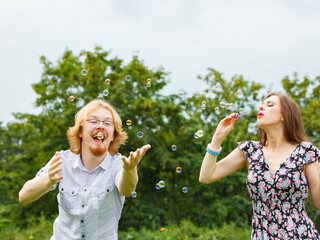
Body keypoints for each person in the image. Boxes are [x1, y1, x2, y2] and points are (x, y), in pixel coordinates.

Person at [19, 99, 151, 240]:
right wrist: (48, 179)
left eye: (107, 123)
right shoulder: (62, 160)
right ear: (80, 131)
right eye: (93, 121)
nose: (101, 126)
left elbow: (127, 189)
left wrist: (130, 170)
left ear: (113, 136)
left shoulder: (118, 164)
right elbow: (24, 196)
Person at [199, 92, 320, 239]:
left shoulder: (306, 151)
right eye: (262, 104)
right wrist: (217, 138)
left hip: (301, 235)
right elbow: (206, 176)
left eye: (270, 105)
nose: (261, 107)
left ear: (285, 116)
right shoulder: (250, 150)